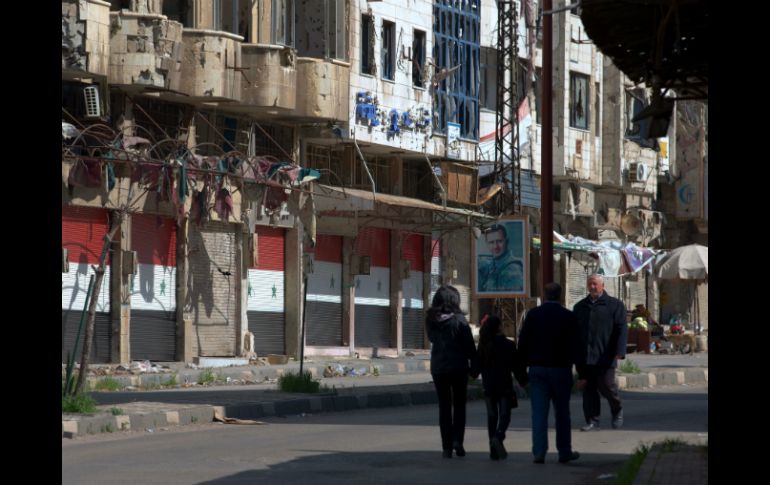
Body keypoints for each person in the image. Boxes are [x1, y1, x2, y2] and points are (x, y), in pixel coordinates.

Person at [517, 282, 581, 464]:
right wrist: (582, 373)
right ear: (560, 297)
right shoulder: (568, 316)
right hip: (561, 370)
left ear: (543, 296)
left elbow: (523, 345)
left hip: (537, 370)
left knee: (538, 413)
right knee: (562, 413)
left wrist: (521, 375)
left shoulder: (533, 315)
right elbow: (577, 346)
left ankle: (539, 451)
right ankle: (564, 451)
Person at [426, 285, 478, 458]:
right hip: (458, 368)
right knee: (459, 405)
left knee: (444, 407)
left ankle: (446, 447)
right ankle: (458, 441)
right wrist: (475, 369)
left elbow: (432, 338)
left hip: (439, 367)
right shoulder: (460, 320)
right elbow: (470, 348)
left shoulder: (431, 319)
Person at [573, 273, 628, 431]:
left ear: (602, 285)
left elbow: (621, 328)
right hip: (585, 355)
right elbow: (574, 332)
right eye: (590, 284)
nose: (592, 287)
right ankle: (592, 420)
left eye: (595, 284)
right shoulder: (580, 307)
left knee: (606, 385)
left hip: (606, 354)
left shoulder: (614, 305)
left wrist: (620, 350)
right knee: (588, 388)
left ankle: (617, 408)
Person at [477, 314, 528, 460]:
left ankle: (493, 451)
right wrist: (524, 381)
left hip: (488, 388)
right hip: (504, 387)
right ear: (499, 327)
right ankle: (498, 438)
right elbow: (517, 367)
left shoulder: (484, 345)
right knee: (505, 416)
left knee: (492, 418)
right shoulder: (508, 345)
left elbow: (475, 368)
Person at [477, 224, 524, 292]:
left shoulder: (513, 269)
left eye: (499, 241)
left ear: (507, 241)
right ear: (487, 244)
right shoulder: (492, 265)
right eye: (491, 242)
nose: (495, 246)